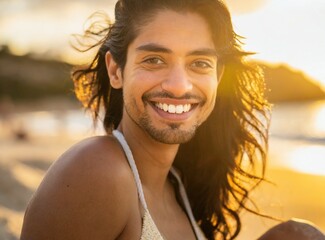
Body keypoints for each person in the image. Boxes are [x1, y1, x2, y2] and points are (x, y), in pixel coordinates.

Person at [20, 0, 325, 239]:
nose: (180, 85)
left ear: (218, 77)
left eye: (199, 63)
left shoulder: (178, 183)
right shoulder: (98, 171)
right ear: (116, 71)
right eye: (154, 60)